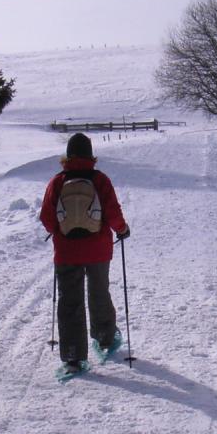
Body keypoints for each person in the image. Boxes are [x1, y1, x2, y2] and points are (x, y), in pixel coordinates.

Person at [40, 132, 130, 375]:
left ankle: (72, 356)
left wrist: (61, 231)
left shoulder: (57, 182)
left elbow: (47, 219)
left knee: (70, 301)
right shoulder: (100, 179)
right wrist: (122, 229)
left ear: (67, 156)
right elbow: (112, 211)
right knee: (99, 291)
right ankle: (105, 338)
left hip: (67, 252)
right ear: (91, 155)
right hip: (98, 249)